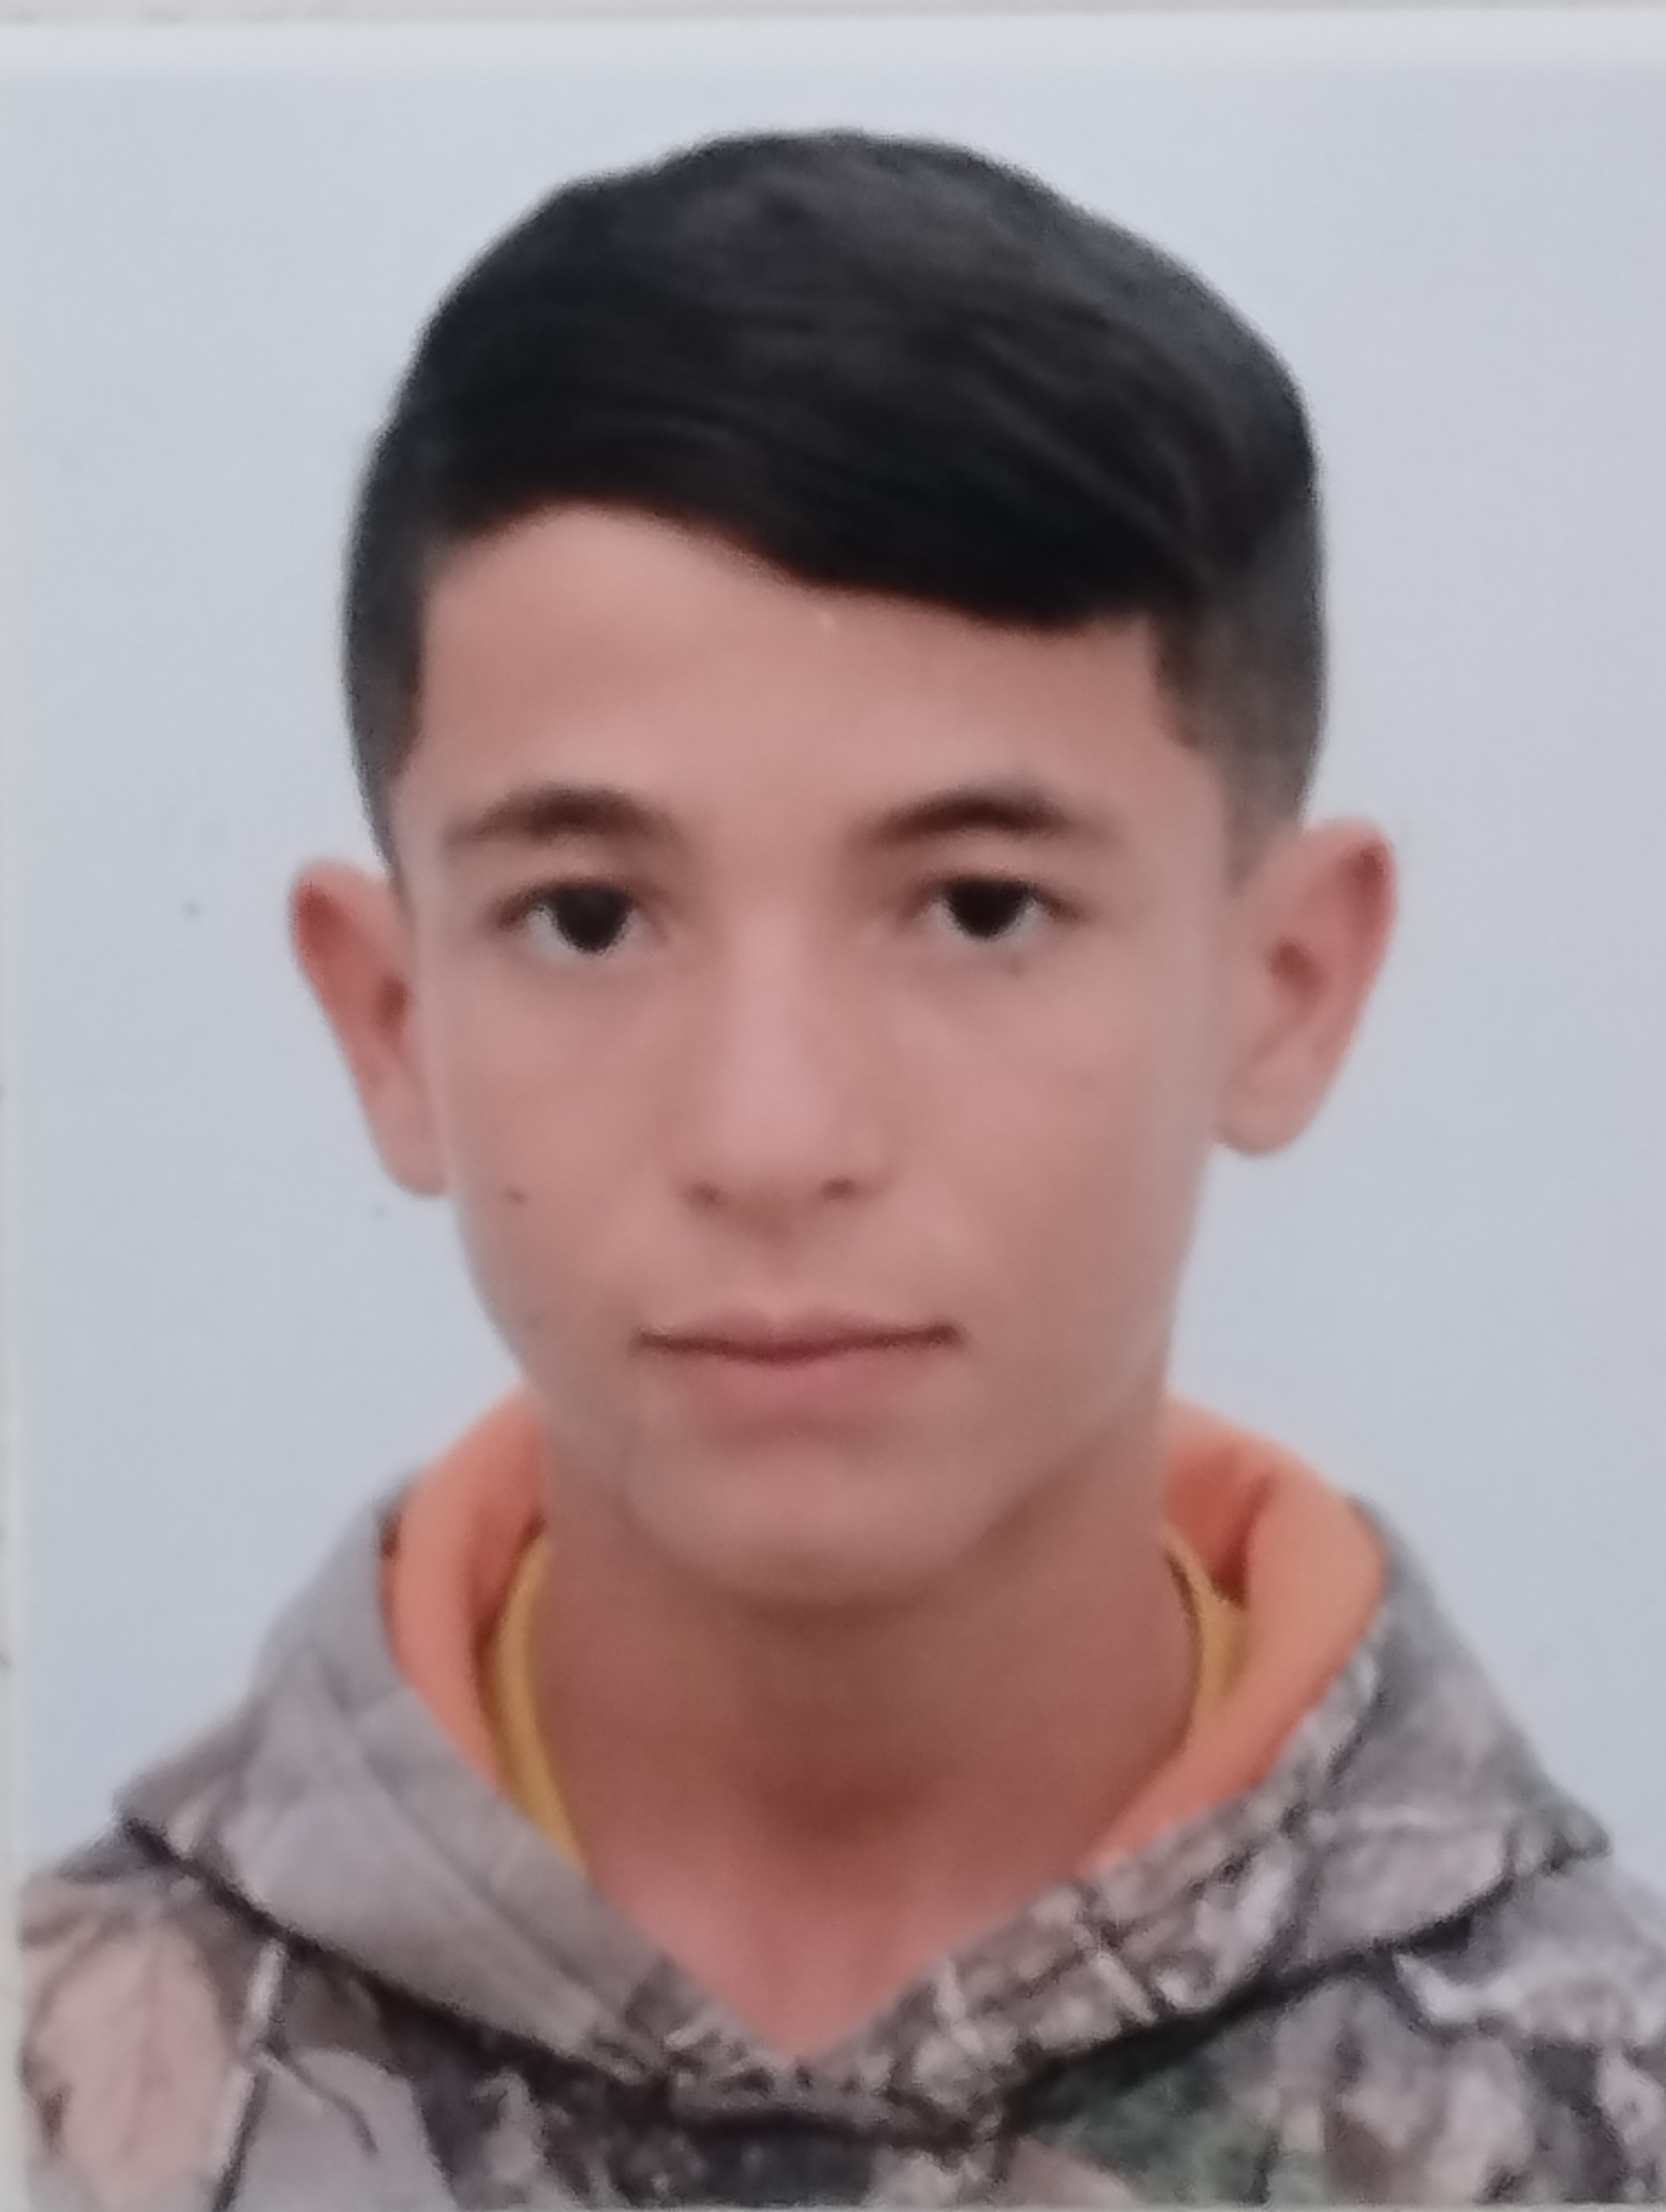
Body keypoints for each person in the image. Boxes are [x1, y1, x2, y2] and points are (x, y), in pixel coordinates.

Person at [18, 128, 1666, 2211]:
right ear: (391, 1019)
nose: (771, 1138)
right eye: (590, 919)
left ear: (1285, 986)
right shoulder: (68, 2108)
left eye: (981, 908)